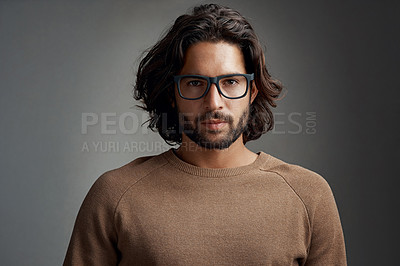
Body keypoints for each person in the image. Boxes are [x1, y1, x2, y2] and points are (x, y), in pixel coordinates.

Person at [64, 4, 346, 265]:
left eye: (231, 82)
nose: (214, 102)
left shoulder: (309, 196)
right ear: (173, 93)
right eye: (196, 82)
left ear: (252, 91)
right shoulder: (114, 195)